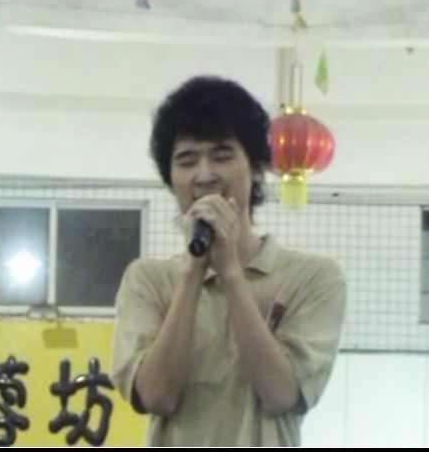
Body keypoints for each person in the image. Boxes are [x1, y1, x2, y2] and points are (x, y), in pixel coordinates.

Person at [111, 76, 346, 446]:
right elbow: (157, 396)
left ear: (257, 168)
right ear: (171, 177)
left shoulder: (313, 278)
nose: (205, 175)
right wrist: (193, 273)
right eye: (187, 160)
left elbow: (281, 393)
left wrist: (231, 273)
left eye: (222, 156)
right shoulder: (147, 280)